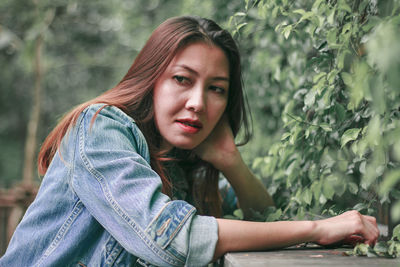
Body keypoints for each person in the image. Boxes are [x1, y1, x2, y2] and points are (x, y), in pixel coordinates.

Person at [0, 16, 379, 267]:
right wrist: (316, 228)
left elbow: (263, 219)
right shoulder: (100, 128)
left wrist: (231, 160)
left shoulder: (185, 163)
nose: (198, 103)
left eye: (216, 89)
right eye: (182, 79)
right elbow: (167, 238)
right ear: (151, 79)